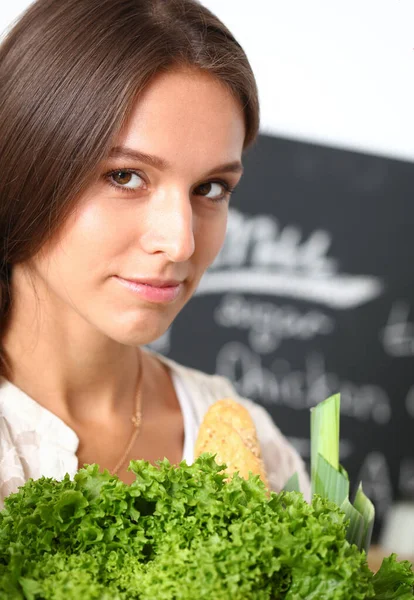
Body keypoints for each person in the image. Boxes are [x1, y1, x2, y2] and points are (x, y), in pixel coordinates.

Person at [0, 0, 310, 507]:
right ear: (22, 166)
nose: (181, 242)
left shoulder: (249, 440)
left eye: (210, 187)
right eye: (125, 176)